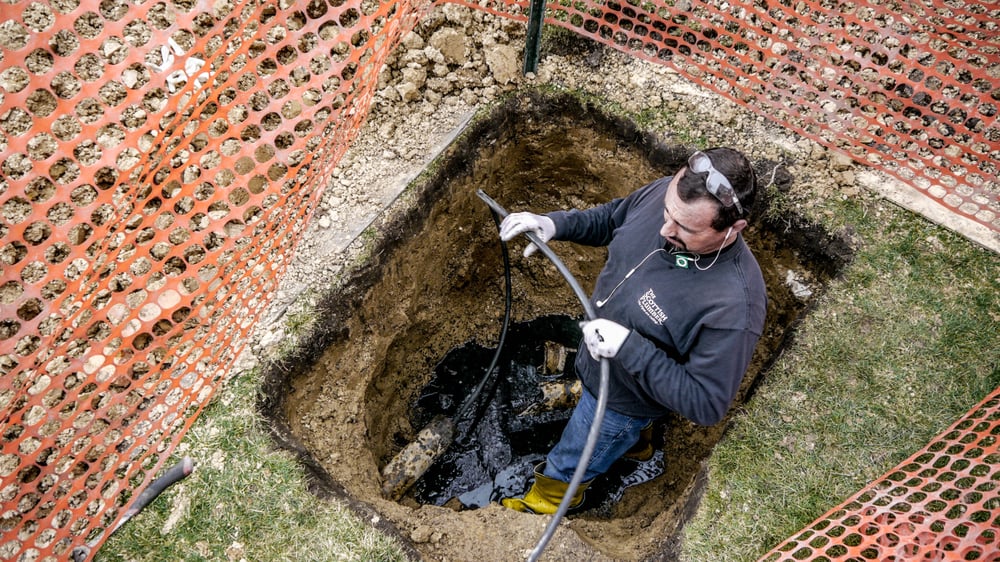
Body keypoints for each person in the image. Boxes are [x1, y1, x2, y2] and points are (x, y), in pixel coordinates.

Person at [497, 147, 767, 514]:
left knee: (573, 456)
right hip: (602, 364)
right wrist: (554, 224)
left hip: (621, 403)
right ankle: (639, 445)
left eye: (684, 228)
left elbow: (705, 403)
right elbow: (614, 218)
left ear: (732, 229)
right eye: (667, 213)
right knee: (613, 432)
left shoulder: (734, 306)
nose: (665, 229)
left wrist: (628, 347)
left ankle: (549, 500)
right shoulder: (669, 199)